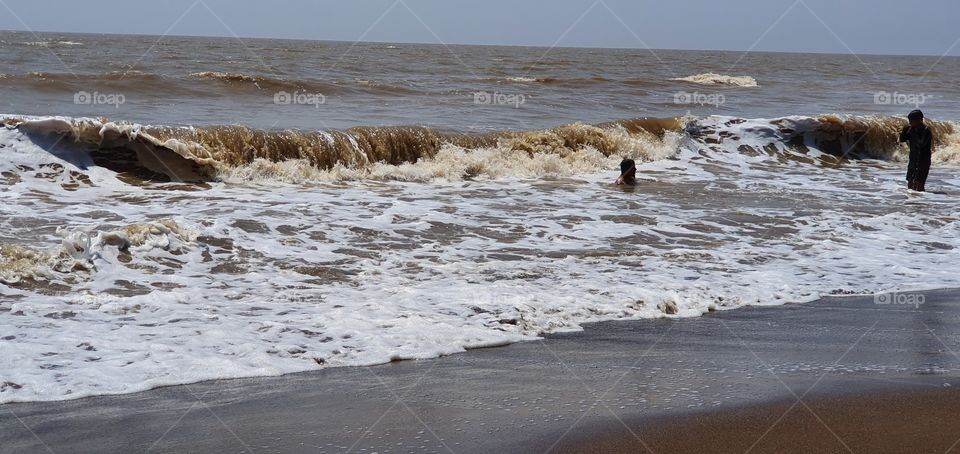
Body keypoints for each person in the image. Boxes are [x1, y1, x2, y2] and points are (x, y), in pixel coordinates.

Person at [899, 110, 934, 192]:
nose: (910, 123)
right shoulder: (912, 129)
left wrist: (913, 133)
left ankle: (920, 200)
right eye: (909, 121)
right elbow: (902, 140)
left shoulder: (926, 131)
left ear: (919, 120)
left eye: (911, 121)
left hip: (923, 161)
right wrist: (904, 131)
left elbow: (921, 144)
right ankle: (911, 199)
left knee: (919, 183)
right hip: (913, 159)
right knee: (910, 181)